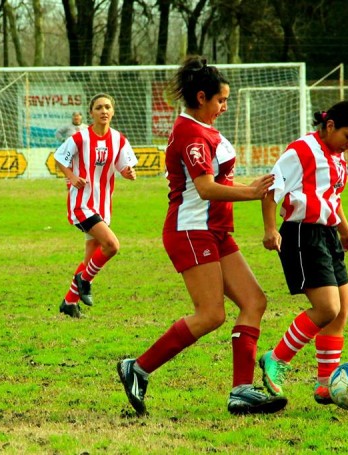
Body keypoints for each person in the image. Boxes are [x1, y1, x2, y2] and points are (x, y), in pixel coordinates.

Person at [116, 56, 287, 416]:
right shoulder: (191, 133)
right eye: (221, 100)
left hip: (216, 232)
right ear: (201, 97)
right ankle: (138, 368)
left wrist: (252, 191)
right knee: (210, 314)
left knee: (254, 302)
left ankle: (241, 391)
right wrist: (252, 192)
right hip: (191, 231)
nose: (224, 107)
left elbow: (219, 183)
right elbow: (206, 189)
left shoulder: (205, 129)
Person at [258, 100, 348, 406]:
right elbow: (271, 189)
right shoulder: (302, 151)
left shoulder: (337, 157)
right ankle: (275, 359)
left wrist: (345, 231)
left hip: (328, 235)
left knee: (342, 310)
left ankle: (326, 384)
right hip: (301, 234)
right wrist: (270, 229)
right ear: (330, 125)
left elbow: (333, 197)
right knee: (327, 309)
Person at [54, 93, 138, 318]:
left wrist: (129, 172)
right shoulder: (80, 138)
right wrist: (71, 177)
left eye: (107, 107)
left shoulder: (119, 139)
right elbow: (59, 158)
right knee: (112, 245)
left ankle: (69, 303)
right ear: (91, 113)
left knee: (90, 259)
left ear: (113, 111)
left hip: (103, 206)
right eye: (99, 107)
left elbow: (125, 167)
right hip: (82, 204)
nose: (104, 111)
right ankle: (84, 280)